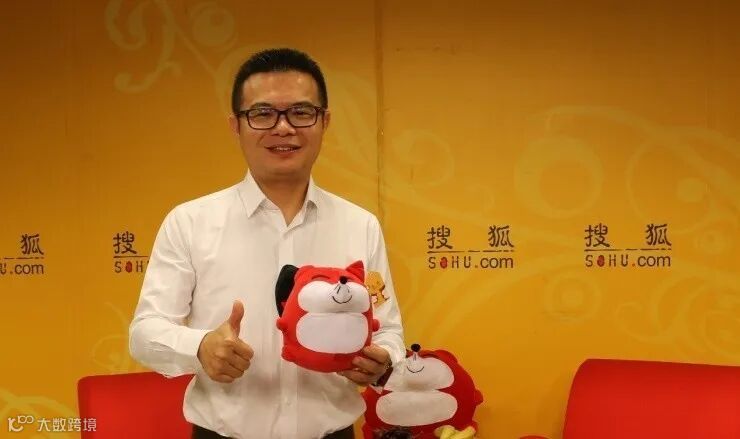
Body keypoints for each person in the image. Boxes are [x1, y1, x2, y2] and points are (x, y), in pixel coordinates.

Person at [128, 48, 405, 439]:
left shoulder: (360, 224)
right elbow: (144, 332)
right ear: (236, 125)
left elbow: (388, 331)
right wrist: (200, 346)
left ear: (324, 121)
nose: (283, 128)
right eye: (262, 114)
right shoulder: (190, 222)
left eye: (301, 112)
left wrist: (382, 360)